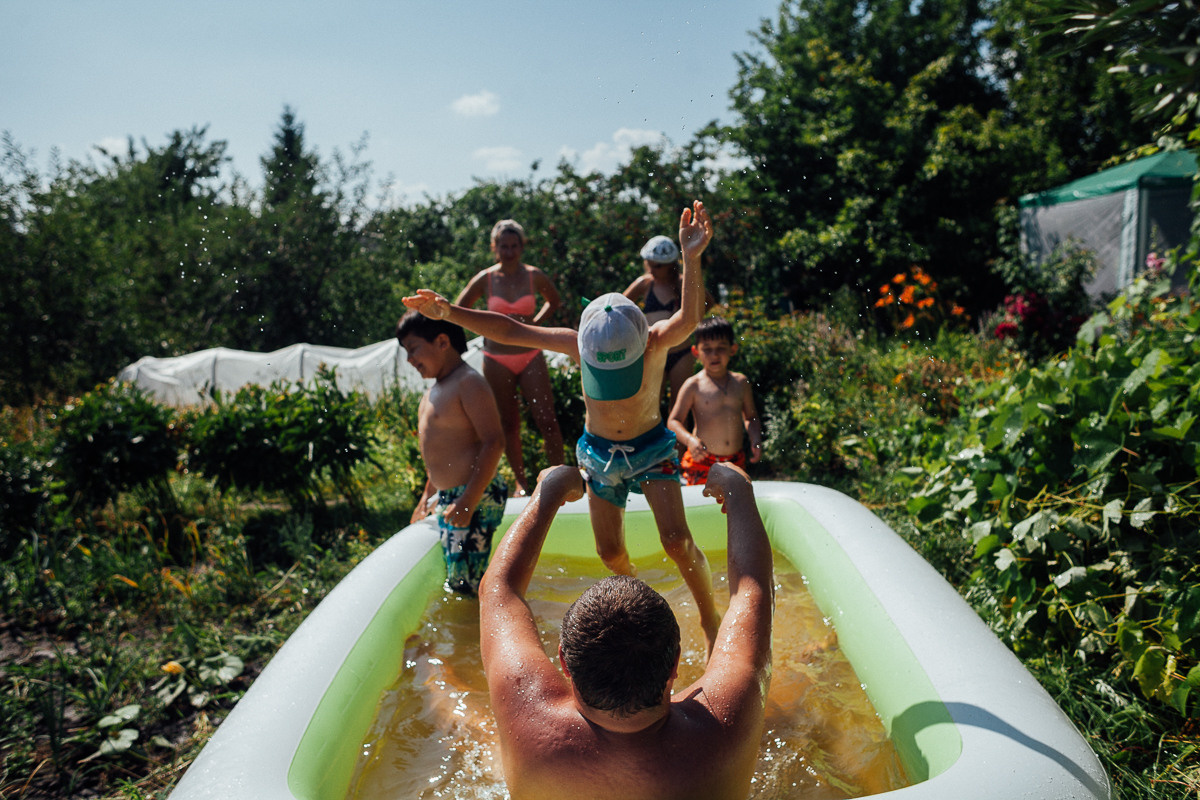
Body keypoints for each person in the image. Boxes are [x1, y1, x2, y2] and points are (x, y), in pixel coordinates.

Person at [403, 200, 721, 648]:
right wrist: (450, 313)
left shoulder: (655, 340)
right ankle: (645, 601)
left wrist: (691, 257)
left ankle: (709, 616)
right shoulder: (577, 341)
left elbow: (690, 317)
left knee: (675, 540)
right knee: (610, 552)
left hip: (650, 448)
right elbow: (510, 330)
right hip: (598, 453)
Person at [479, 463, 773, 800]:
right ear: (675, 663)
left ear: (563, 660)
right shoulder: (726, 722)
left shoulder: (527, 717)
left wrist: (550, 490)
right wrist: (738, 492)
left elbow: (498, 589)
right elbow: (754, 594)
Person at [396, 310, 507, 595]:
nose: (409, 359)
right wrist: (426, 497)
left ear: (443, 342)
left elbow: (494, 442)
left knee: (468, 584)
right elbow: (440, 455)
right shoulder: (435, 390)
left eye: (413, 348)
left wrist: (469, 498)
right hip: (453, 496)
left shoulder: (468, 383)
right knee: (458, 578)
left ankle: (475, 633)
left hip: (476, 494)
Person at [456, 219, 564, 497]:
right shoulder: (486, 278)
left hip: (530, 354)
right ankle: (521, 483)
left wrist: (535, 327)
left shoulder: (534, 275)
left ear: (522, 246)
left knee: (547, 419)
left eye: (514, 246)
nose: (509, 251)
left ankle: (560, 477)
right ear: (495, 247)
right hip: (496, 357)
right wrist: (483, 329)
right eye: (504, 246)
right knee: (508, 424)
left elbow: (554, 299)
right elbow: (459, 309)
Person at [667, 316, 763, 486]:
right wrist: (690, 440)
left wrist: (755, 438)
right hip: (702, 460)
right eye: (707, 349)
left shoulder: (740, 382)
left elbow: (750, 417)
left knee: (734, 505)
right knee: (699, 506)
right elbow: (673, 421)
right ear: (696, 352)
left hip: (735, 460)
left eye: (721, 348)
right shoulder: (693, 385)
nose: (715, 354)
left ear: (732, 349)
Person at [623, 234, 714, 408]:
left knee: (680, 405)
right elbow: (620, 306)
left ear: (670, 265)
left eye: (657, 266)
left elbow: (708, 301)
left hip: (681, 352)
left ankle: (679, 436)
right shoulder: (645, 283)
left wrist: (693, 318)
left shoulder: (682, 283)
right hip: (654, 349)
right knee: (649, 406)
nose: (651, 269)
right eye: (648, 263)